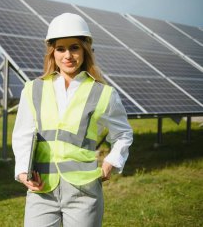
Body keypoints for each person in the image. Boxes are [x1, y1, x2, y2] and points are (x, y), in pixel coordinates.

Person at [12, 13, 133, 227]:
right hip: (41, 190)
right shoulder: (33, 89)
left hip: (84, 192)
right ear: (52, 52)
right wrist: (23, 171)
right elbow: (22, 134)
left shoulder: (103, 93)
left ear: (85, 49)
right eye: (61, 49)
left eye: (74, 47)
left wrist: (111, 161)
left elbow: (123, 133)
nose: (67, 55)